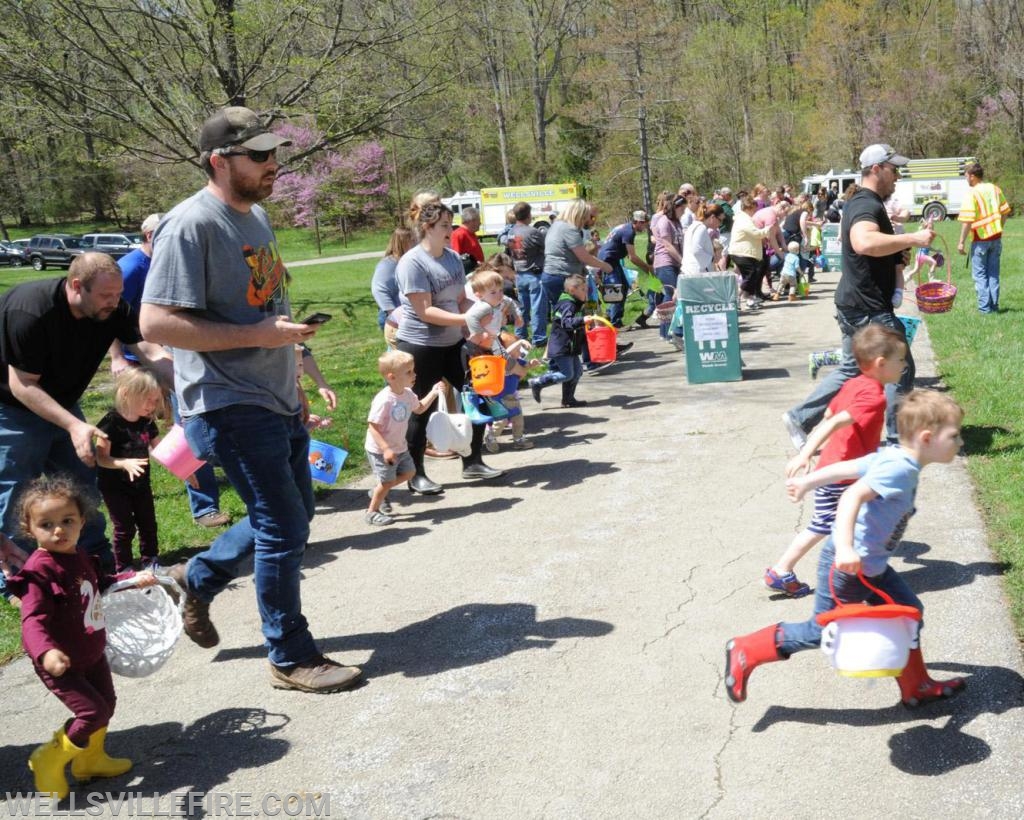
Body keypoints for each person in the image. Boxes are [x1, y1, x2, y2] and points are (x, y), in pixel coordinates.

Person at [140, 105, 362, 693]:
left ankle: (198, 577)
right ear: (219, 160)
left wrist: (287, 351)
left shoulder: (255, 217)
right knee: (284, 527)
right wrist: (257, 337)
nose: (274, 166)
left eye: (274, 154)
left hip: (274, 393)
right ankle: (289, 655)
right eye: (259, 156)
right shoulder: (190, 225)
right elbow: (156, 322)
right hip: (228, 402)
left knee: (296, 516)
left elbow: (263, 304)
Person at [726, 390, 967, 708]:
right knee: (820, 631)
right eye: (954, 435)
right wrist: (844, 548)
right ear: (927, 437)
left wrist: (809, 481)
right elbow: (851, 496)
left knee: (909, 614)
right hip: (848, 566)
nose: (960, 442)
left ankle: (916, 685)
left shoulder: (896, 456)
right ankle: (746, 649)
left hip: (872, 567)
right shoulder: (900, 469)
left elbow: (853, 466)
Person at [0, 253, 158, 602]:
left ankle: (93, 560)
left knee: (81, 480)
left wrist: (184, 387)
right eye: (106, 296)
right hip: (11, 406)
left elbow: (147, 348)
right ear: (76, 286)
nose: (114, 303)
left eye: (118, 295)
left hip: (62, 400)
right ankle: (16, 578)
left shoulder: (112, 308)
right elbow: (22, 384)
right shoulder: (30, 311)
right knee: (13, 490)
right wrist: (74, 426)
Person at [5, 475, 157, 799]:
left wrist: (132, 579)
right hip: (59, 661)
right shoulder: (39, 571)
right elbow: (32, 619)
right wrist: (46, 652)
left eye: (67, 520)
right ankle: (49, 758)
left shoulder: (80, 555)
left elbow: (101, 582)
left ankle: (89, 762)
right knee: (92, 712)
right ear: (30, 530)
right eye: (46, 524)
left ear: (82, 521)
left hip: (91, 651)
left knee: (107, 704)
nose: (58, 530)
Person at [782, 144, 936, 450]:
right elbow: (863, 242)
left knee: (852, 368)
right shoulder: (867, 203)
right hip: (866, 306)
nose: (898, 176)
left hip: (853, 302)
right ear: (877, 169)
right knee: (900, 367)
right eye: (894, 170)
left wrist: (896, 258)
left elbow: (872, 247)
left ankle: (800, 417)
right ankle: (895, 443)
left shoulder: (864, 202)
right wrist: (913, 238)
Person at [108, 212, 231, 530]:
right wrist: (117, 358)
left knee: (198, 422)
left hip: (177, 357)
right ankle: (196, 505)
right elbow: (108, 317)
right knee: (161, 432)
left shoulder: (177, 263)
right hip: (144, 362)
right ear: (149, 236)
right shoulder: (131, 268)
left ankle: (216, 494)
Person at [764, 325, 906, 597]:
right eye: (900, 360)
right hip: (842, 475)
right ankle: (781, 571)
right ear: (881, 363)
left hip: (837, 467)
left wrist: (825, 450)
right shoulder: (874, 397)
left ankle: (857, 569)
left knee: (853, 518)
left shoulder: (852, 384)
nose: (903, 366)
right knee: (825, 524)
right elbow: (837, 420)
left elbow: (829, 415)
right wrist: (806, 452)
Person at [393, 201, 504, 495]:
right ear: (426, 228)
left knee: (478, 394)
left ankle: (473, 461)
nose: (450, 231)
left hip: (453, 343)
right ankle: (415, 475)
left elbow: (461, 301)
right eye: (444, 226)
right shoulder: (412, 263)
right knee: (420, 409)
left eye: (450, 224)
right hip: (420, 346)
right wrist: (466, 317)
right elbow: (424, 311)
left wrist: (482, 310)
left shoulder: (453, 258)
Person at [95, 368, 172, 573]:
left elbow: (163, 450)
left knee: (148, 523)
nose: (153, 405)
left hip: (141, 484)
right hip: (114, 487)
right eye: (149, 399)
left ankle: (150, 559)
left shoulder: (147, 422)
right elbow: (101, 458)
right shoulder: (110, 423)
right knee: (124, 528)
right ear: (127, 393)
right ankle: (124, 566)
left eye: (156, 400)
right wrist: (123, 463)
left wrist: (185, 471)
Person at [365, 351, 446, 526]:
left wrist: (433, 392)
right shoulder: (384, 400)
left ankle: (378, 491)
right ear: (392, 377)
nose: (414, 374)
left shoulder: (408, 394)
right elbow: (373, 427)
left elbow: (420, 408)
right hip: (380, 449)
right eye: (408, 372)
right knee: (386, 481)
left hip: (399, 446)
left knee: (410, 472)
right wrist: (386, 449)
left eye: (413, 370)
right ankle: (372, 512)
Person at [541, 199, 612, 329]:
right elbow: (584, 256)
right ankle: (595, 343)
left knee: (577, 312)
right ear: (578, 213)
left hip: (553, 276)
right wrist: (604, 266)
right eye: (586, 216)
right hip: (562, 277)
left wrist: (585, 271)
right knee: (581, 313)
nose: (587, 219)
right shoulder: (569, 229)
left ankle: (595, 342)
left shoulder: (556, 226)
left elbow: (571, 256)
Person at [528, 274, 594, 408]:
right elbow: (566, 323)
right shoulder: (567, 304)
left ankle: (568, 400)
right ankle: (538, 382)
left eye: (586, 289)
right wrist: (582, 320)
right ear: (572, 290)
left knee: (577, 372)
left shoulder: (576, 303)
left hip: (571, 346)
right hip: (561, 346)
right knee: (567, 374)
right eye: (583, 289)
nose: (585, 292)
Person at [957, 162, 1012, 314]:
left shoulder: (972, 193)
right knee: (993, 273)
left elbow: (968, 220)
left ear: (973, 176)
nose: (965, 178)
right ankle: (994, 306)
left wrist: (961, 242)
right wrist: (999, 227)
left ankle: (984, 310)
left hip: (980, 240)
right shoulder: (995, 189)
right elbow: (1005, 211)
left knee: (980, 275)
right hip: (996, 238)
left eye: (966, 175)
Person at [637, 192, 685, 335]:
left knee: (671, 297)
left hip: (674, 262)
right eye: (682, 209)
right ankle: (669, 332)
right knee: (671, 295)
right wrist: (683, 261)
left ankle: (666, 332)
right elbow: (667, 245)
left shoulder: (677, 221)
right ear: (674, 207)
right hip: (664, 263)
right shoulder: (663, 221)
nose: (683, 212)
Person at [596, 210, 653, 327]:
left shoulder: (625, 227)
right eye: (644, 223)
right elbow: (632, 257)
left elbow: (625, 250)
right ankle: (613, 321)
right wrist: (648, 269)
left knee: (624, 287)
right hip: (608, 260)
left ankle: (613, 316)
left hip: (612, 259)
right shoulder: (629, 232)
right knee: (616, 290)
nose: (645, 226)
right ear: (637, 222)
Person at [506, 202, 549, 348]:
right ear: (528, 215)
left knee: (522, 308)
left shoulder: (511, 232)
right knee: (537, 307)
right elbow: (546, 248)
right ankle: (539, 337)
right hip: (534, 274)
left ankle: (520, 335)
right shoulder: (533, 232)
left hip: (519, 273)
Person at [371, 227, 416, 349]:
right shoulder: (388, 264)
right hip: (393, 316)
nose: (416, 243)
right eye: (413, 240)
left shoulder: (407, 261)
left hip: (406, 314)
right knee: (398, 352)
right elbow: (379, 290)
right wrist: (394, 313)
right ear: (402, 242)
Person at [729, 195, 772, 310]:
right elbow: (755, 233)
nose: (755, 211)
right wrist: (767, 229)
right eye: (754, 208)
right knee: (751, 274)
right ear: (749, 207)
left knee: (752, 275)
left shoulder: (745, 218)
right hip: (741, 252)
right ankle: (736, 298)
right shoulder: (743, 219)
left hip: (745, 252)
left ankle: (749, 299)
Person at [681, 202, 725, 275]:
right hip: (695, 273)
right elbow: (696, 250)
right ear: (713, 217)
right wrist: (712, 259)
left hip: (691, 271)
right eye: (720, 220)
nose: (720, 224)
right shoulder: (701, 228)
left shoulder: (695, 226)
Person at [450, 206, 484, 274]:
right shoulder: (458, 234)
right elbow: (455, 258)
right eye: (479, 220)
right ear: (472, 220)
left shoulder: (472, 233)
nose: (480, 223)